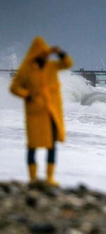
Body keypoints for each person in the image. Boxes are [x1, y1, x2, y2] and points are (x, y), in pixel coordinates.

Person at [10, 36, 73, 187]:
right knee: (32, 146)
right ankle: (32, 178)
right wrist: (27, 95)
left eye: (46, 53)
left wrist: (60, 53)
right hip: (34, 113)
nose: (45, 56)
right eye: (42, 53)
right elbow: (14, 87)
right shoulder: (26, 70)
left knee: (51, 145)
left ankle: (49, 177)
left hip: (51, 112)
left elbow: (67, 64)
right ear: (35, 54)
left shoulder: (51, 66)